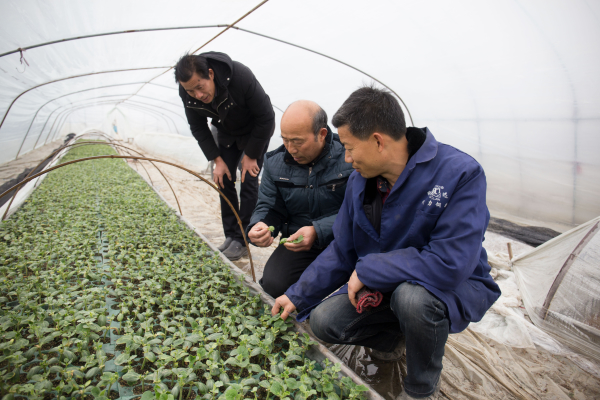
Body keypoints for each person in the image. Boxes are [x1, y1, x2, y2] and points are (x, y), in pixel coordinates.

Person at [271, 87, 501, 399]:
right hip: (386, 284)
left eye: (349, 148)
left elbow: (450, 263)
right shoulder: (360, 181)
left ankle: (421, 388)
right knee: (324, 321)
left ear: (378, 141)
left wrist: (369, 269)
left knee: (413, 300)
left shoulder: (459, 173)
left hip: (448, 285)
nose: (347, 158)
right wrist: (297, 295)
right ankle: (395, 339)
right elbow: (343, 248)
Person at [247, 100, 354, 298]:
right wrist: (261, 225)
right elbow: (270, 206)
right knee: (273, 284)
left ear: (322, 134)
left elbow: (361, 209)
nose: (291, 149)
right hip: (300, 242)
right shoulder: (274, 162)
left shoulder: (349, 155)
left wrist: (318, 230)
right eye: (285, 140)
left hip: (347, 238)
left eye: (297, 141)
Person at [175, 52, 275, 260]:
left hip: (255, 132)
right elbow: (198, 127)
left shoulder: (240, 77)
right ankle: (231, 235)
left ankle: (244, 239)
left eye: (200, 87)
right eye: (190, 91)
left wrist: (251, 155)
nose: (197, 95)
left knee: (248, 179)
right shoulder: (187, 92)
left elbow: (266, 117)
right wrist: (217, 160)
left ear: (210, 74)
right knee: (223, 179)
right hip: (227, 133)